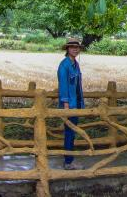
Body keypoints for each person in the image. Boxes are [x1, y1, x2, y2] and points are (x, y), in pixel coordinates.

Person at [57, 38, 84, 169]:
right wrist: (66, 104)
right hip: (69, 105)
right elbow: (63, 86)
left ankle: (69, 159)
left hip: (76, 103)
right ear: (67, 49)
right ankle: (68, 162)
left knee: (72, 132)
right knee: (69, 133)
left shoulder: (75, 64)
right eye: (72, 47)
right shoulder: (64, 65)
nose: (75, 49)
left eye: (77, 47)